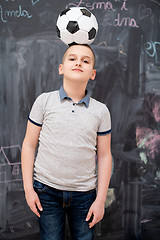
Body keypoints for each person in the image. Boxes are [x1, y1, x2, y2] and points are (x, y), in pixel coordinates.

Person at [21, 44, 112, 240]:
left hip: (85, 195)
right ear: (61, 68)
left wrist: (100, 200)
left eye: (85, 60)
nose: (78, 62)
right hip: (46, 190)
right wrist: (29, 189)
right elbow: (29, 144)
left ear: (93, 73)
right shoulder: (44, 102)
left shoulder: (101, 111)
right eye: (72, 58)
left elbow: (104, 155)